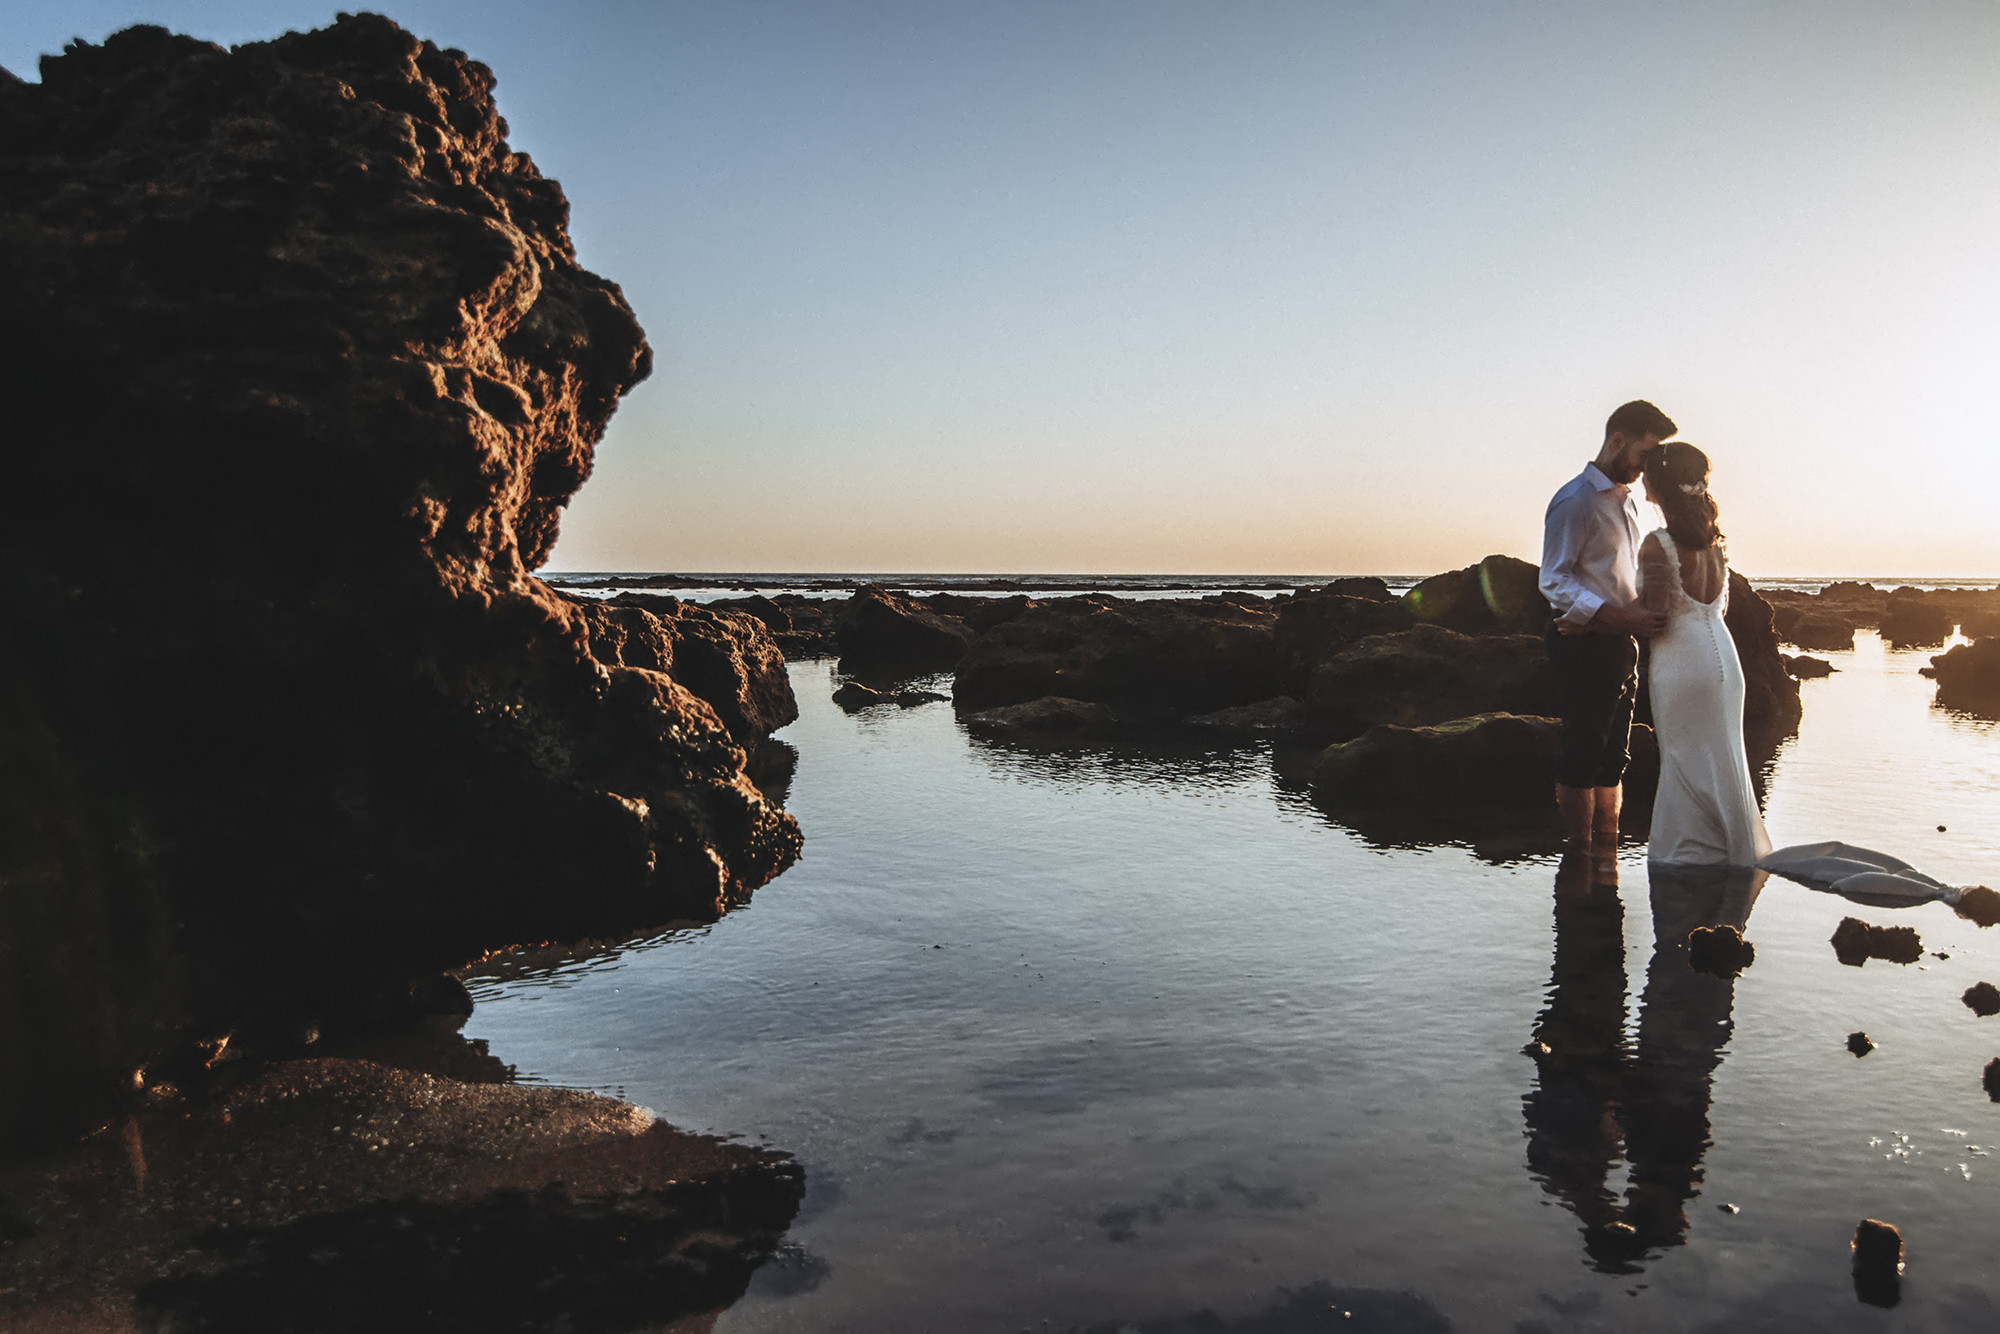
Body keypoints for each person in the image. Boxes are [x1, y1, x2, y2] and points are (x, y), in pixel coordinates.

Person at [1539, 401, 1676, 849]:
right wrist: (1612, 617)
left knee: (1615, 756)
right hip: (1585, 645)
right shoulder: (1575, 500)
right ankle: (1579, 856)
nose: (1646, 466)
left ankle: (1607, 854)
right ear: (1617, 440)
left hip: (1621, 643)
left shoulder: (1631, 504)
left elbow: (1629, 577)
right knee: (1582, 751)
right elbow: (1554, 579)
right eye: (1644, 453)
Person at [1636, 442, 1772, 866]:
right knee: (1724, 753)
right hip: (1723, 659)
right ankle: (1733, 850)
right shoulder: (1716, 546)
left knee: (1682, 755)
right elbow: (1718, 608)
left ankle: (1686, 857)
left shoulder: (1658, 544)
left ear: (1659, 484)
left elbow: (1654, 615)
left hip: (1681, 662)